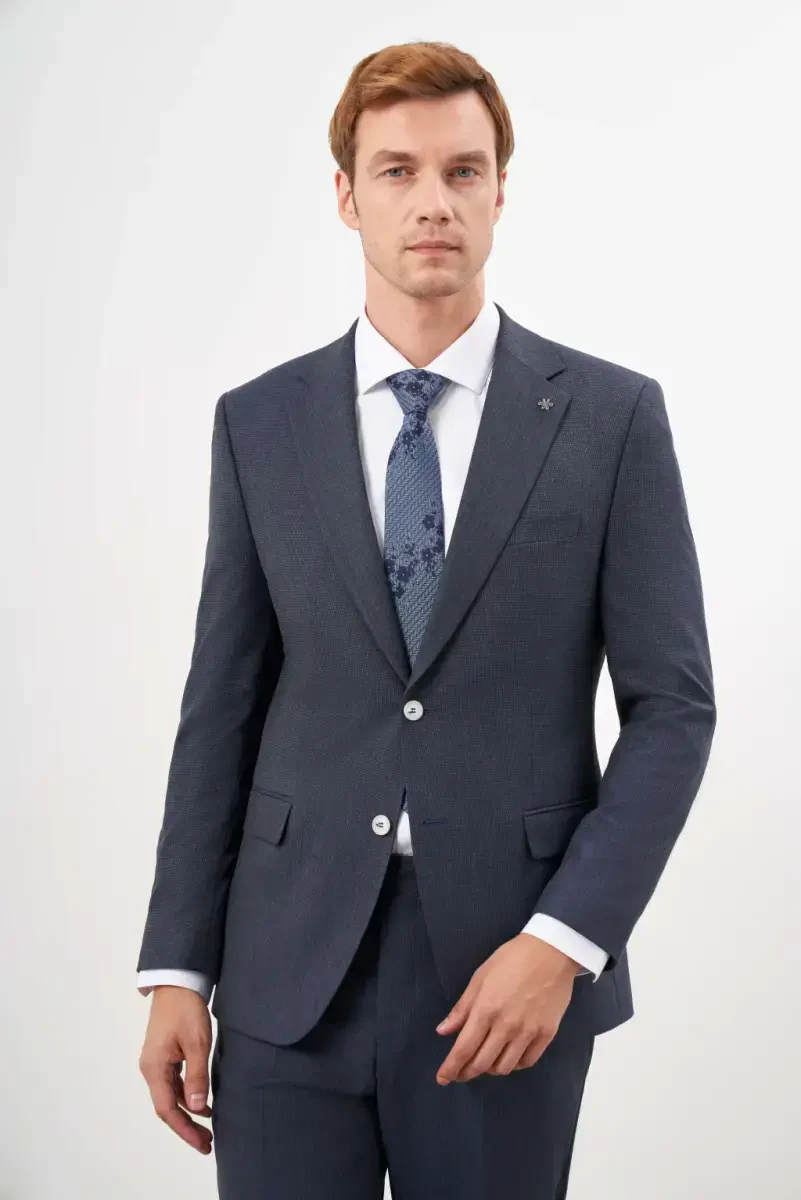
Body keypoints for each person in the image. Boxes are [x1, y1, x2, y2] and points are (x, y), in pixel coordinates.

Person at [136, 39, 716, 1199]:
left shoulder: (610, 420)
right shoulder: (261, 424)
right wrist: (177, 966)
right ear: (347, 197)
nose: (433, 202)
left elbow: (673, 711)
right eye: (397, 171)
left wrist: (563, 942)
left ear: (502, 190)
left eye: (462, 170)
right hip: (286, 970)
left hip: (506, 974)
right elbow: (222, 707)